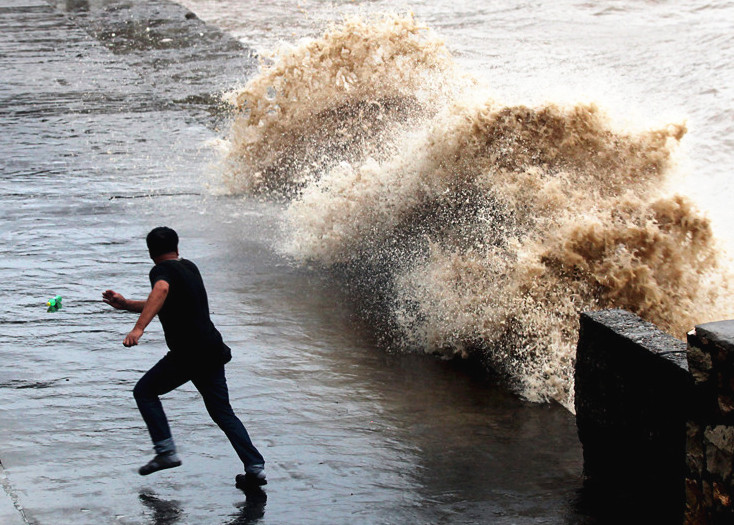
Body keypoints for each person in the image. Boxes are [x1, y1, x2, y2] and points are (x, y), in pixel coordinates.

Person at [103, 226, 266, 488]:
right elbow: (161, 299)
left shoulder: (160, 272)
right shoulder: (189, 267)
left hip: (189, 353)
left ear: (150, 253)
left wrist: (138, 328)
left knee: (144, 392)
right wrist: (126, 305)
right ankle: (255, 467)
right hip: (211, 349)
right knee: (223, 412)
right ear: (177, 247)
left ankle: (166, 452)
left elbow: (161, 291)